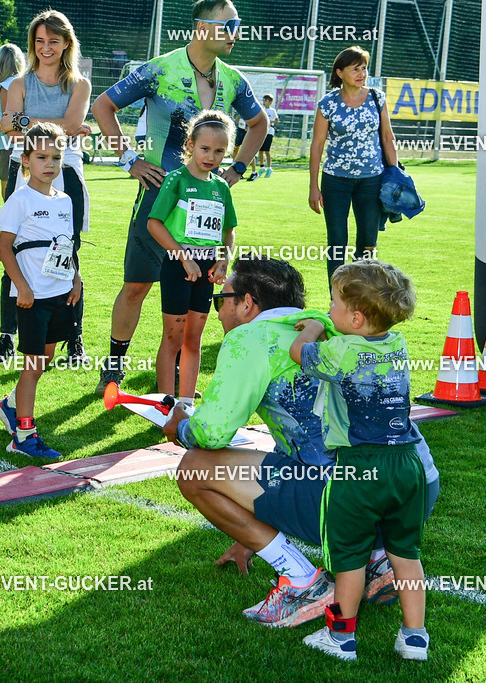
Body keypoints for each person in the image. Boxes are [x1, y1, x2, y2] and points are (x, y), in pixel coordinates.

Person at [161, 256, 440, 629]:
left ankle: (302, 581)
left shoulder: (251, 336)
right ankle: (376, 559)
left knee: (194, 468)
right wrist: (247, 533)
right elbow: (305, 431)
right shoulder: (340, 322)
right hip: (417, 482)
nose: (219, 309)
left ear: (247, 303)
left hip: (349, 495)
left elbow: (212, 433)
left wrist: (179, 426)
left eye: (220, 299)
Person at [91, 0, 267, 395]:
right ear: (202, 27)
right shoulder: (159, 68)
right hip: (157, 195)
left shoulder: (234, 80)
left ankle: (172, 379)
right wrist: (129, 160)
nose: (235, 33)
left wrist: (235, 169)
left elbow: (259, 123)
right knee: (137, 285)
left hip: (204, 207)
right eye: (229, 25)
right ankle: (115, 365)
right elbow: (103, 105)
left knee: (192, 291)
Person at [290, 260, 428, 661]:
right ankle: (415, 637)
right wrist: (336, 323)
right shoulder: (397, 344)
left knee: (350, 557)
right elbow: (360, 344)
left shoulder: (338, 350)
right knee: (406, 553)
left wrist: (315, 324)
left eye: (332, 303)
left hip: (358, 466)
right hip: (406, 463)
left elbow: (300, 353)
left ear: (354, 316)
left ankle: (341, 637)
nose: (328, 308)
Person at [0, 9, 91, 367]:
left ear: (66, 44)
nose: (46, 47)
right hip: (24, 170)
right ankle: (6, 337)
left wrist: (25, 120)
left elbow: (70, 122)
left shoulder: (80, 84)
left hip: (68, 171)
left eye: (54, 41)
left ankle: (72, 336)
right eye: (40, 41)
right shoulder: (18, 83)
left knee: (69, 251)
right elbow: (9, 127)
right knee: (13, 250)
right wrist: (51, 126)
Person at [0, 123, 80, 459]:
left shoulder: (66, 200)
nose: (50, 164)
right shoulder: (20, 201)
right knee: (32, 366)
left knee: (44, 359)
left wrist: (76, 278)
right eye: (42, 157)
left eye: (56, 157)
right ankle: (24, 435)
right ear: (26, 160)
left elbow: (68, 245)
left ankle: (10, 404)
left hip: (61, 293)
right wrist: (22, 287)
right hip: (32, 298)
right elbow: (4, 249)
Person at [146, 111, 236, 401]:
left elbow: (228, 231)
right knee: (173, 338)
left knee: (193, 340)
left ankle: (185, 403)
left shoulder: (221, 187)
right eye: (205, 149)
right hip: (178, 266)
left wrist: (224, 260)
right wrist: (183, 256)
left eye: (219, 151)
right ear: (190, 145)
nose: (211, 156)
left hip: (206, 270)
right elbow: (154, 223)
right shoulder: (176, 180)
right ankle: (165, 403)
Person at [309, 46, 398, 288]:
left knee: (368, 242)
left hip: (372, 180)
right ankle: (336, 299)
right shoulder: (327, 103)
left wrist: (396, 175)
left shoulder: (377, 98)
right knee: (337, 241)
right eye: (355, 69)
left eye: (364, 68)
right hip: (335, 180)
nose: (361, 73)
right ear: (339, 72)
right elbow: (317, 145)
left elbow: (388, 138)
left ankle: (363, 297)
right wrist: (313, 187)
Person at [0, 44, 25, 203]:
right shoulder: (23, 83)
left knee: (8, 192)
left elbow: (6, 121)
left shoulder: (6, 86)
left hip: (9, 144)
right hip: (24, 142)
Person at [257, 94, 278, 177]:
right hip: (262, 131)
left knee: (267, 150)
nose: (264, 102)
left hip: (269, 132)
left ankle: (269, 167)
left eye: (266, 100)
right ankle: (262, 167)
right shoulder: (262, 110)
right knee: (260, 150)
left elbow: (276, 120)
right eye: (263, 100)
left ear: (270, 102)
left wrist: (270, 121)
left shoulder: (272, 111)